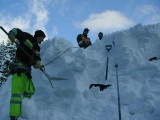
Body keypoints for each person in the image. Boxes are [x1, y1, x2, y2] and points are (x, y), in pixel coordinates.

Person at [8, 28, 46, 120]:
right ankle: (14, 115)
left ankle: (24, 110)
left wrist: (38, 64)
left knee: (30, 91)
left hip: (27, 72)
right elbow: (16, 31)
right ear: (38, 36)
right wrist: (11, 35)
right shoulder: (26, 37)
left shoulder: (37, 48)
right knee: (16, 94)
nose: (42, 40)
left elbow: (36, 60)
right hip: (18, 69)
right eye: (42, 38)